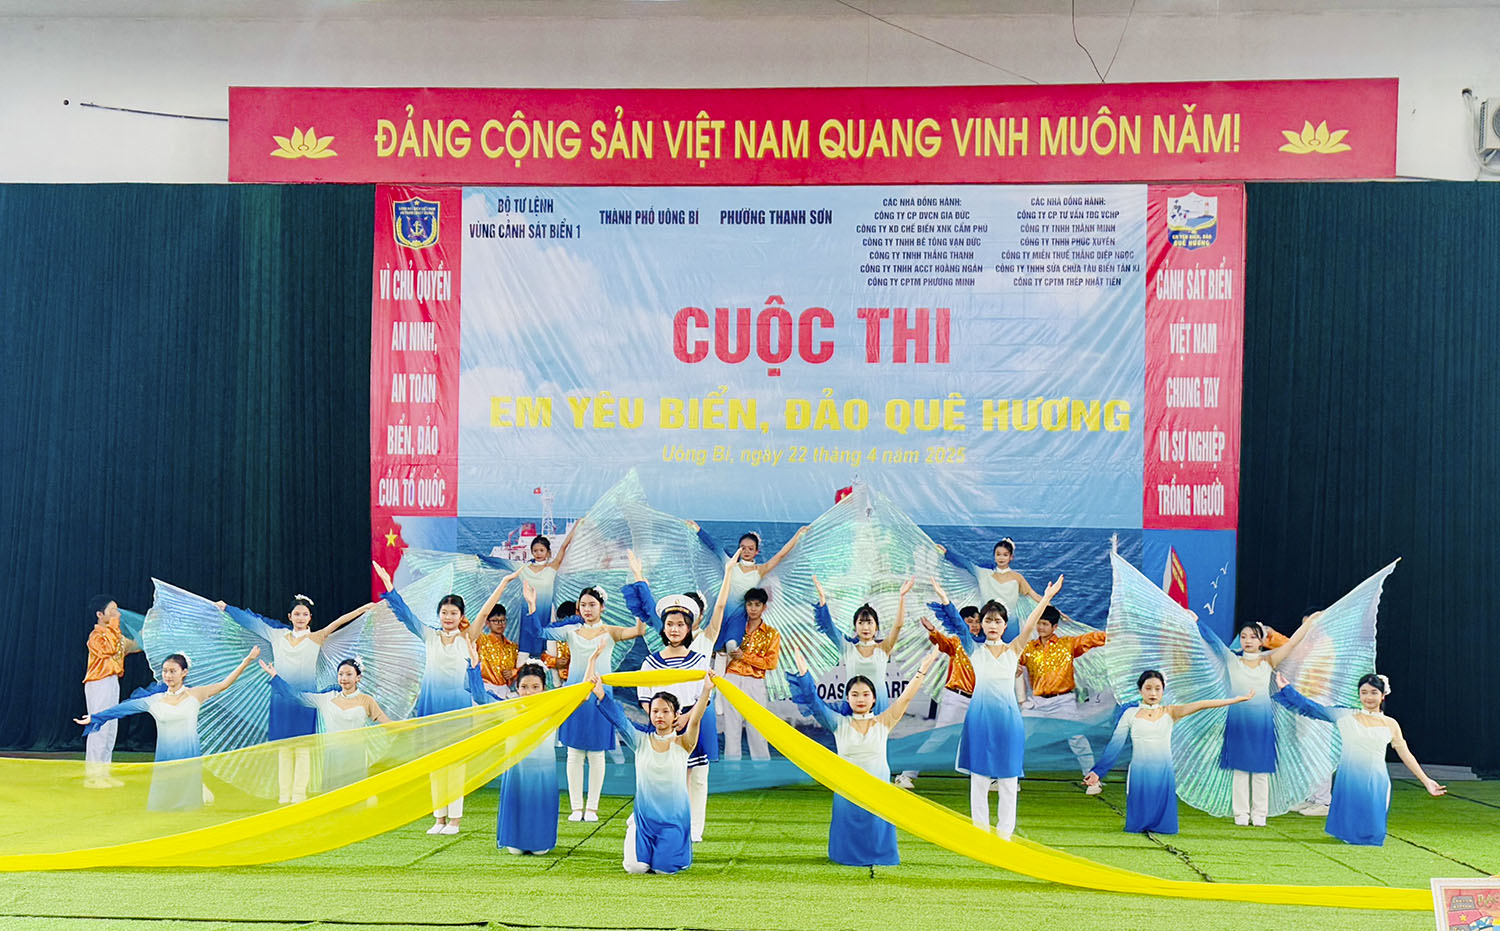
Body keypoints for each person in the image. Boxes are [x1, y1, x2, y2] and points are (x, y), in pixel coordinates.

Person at [787, 644, 941, 866]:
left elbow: (906, 698)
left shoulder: (884, 721)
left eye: (866, 694)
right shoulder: (838, 722)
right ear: (847, 698)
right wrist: (803, 673)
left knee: (877, 822)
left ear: (874, 699)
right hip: (847, 787)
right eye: (855, 694)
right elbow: (814, 702)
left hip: (878, 786)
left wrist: (923, 669)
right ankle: (845, 855)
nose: (860, 699)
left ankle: (880, 855)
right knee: (848, 822)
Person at [214, 593, 375, 804]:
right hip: (281, 699)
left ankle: (299, 795)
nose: (300, 618)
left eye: (305, 614)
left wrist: (362, 609)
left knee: (303, 749)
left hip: (304, 700)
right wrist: (227, 608)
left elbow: (339, 621)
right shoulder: (276, 635)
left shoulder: (316, 637)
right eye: (297, 614)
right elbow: (252, 622)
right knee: (283, 749)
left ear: (310, 618)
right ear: (289, 616)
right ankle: (284, 796)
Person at [941, 575, 1064, 839]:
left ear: (1005, 624)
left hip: (1008, 721)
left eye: (997, 621)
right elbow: (958, 626)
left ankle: (1004, 835)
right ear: (982, 624)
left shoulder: (1014, 649)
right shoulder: (974, 650)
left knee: (1009, 779)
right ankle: (981, 833)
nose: (993, 625)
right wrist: (944, 599)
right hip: (979, 719)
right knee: (979, 779)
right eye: (988, 620)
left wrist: (1046, 598)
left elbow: (1030, 624)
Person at [625, 550, 732, 842]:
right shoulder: (651, 662)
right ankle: (664, 822)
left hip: (696, 720)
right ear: (664, 627)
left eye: (681, 624)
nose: (675, 629)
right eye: (670, 624)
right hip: (663, 725)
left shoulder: (699, 657)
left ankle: (695, 828)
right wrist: (663, 719)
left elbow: (703, 696)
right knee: (666, 777)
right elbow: (645, 698)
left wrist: (687, 718)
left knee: (698, 776)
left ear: (690, 626)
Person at [1271, 671, 1445, 846]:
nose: (1369, 697)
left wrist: (1426, 780)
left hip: (1376, 781)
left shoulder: (1391, 724)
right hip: (1349, 779)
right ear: (1359, 695)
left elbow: (1405, 754)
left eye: (1374, 692)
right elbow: (1311, 708)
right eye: (1364, 692)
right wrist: (1286, 689)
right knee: (1349, 831)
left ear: (1383, 695)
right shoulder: (1345, 716)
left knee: (1372, 834)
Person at [75, 647, 260, 810]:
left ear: (184, 673)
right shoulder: (155, 700)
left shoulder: (196, 694)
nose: (168, 675)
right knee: (166, 803)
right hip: (166, 757)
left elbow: (224, 684)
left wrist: (247, 661)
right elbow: (123, 709)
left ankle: (199, 791)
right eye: (165, 671)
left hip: (189, 755)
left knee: (189, 801)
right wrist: (95, 717)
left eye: (173, 671)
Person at [376, 563, 488, 835]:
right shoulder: (428, 635)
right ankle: (439, 818)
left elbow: (485, 613)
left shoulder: (468, 638)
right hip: (432, 708)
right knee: (435, 764)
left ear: (462, 616)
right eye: (444, 612)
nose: (448, 617)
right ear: (438, 614)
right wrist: (389, 586)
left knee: (456, 765)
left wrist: (505, 583)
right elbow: (404, 614)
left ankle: (455, 820)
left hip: (457, 710)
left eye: (453, 613)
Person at [521, 580, 645, 822]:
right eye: (584, 605)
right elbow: (539, 633)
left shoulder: (610, 631)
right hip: (575, 698)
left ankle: (592, 809)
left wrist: (639, 598)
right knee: (574, 753)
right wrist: (532, 604)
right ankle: (576, 808)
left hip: (601, 698)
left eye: (592, 605)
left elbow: (639, 630)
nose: (587, 609)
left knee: (597, 755)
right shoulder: (571, 631)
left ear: (602, 607)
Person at [1083, 670, 1252, 833]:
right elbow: (1115, 746)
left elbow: (1202, 704)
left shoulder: (1170, 712)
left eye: (1158, 688)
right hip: (1139, 771)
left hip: (1163, 770)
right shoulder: (1130, 714)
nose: (1153, 693)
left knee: (1164, 822)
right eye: (1148, 688)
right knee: (1136, 823)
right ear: (1140, 690)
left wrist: (1234, 700)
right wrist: (1098, 772)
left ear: (1163, 690)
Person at [592, 660, 717, 874]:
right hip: (645, 822)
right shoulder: (640, 741)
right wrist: (601, 694)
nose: (659, 716)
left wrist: (706, 690)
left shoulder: (684, 743)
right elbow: (620, 721)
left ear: (676, 715)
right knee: (635, 868)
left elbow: (695, 720)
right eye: (655, 711)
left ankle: (669, 851)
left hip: (672, 823)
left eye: (666, 711)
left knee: (664, 869)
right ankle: (634, 827)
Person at [1205, 617, 1312, 826]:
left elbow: (1291, 644)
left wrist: (1308, 624)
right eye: (1244, 636)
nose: (1248, 641)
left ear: (1261, 641)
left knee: (1261, 770)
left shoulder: (1268, 661)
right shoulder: (1232, 660)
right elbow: (1212, 642)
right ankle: (1241, 814)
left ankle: (1260, 814)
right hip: (1238, 721)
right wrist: (1197, 622)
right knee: (1239, 770)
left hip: (1262, 722)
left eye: (1253, 637)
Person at [260, 657, 391, 791]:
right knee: (333, 792)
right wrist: (275, 677)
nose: (344, 678)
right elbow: (297, 696)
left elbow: (388, 724)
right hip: (333, 754)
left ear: (358, 677)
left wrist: (404, 729)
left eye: (349, 674)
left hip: (356, 755)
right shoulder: (327, 698)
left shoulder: (367, 700)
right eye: (341, 674)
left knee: (354, 792)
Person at [896, 584, 979, 789]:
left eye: (977, 621)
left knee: (979, 739)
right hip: (956, 698)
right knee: (937, 738)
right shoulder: (957, 642)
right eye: (969, 622)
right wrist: (933, 631)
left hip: (978, 700)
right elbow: (942, 643)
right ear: (961, 623)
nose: (975, 625)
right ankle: (906, 775)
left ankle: (988, 778)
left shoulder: (985, 645)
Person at [1018, 603, 1108, 792]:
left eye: (1045, 624)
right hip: (1036, 702)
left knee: (1077, 739)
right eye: (1039, 623)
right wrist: (1014, 667)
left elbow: (1092, 639)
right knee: (1017, 736)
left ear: (1054, 627)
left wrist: (1115, 634)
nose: (1041, 627)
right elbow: (1011, 661)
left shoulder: (1067, 644)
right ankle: (1009, 779)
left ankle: (1092, 779)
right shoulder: (1028, 648)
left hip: (1063, 701)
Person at [686, 522, 808, 650]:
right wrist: (698, 529)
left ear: (756, 552)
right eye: (743, 548)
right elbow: (715, 546)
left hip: (738, 616)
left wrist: (797, 535)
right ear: (738, 549)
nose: (746, 551)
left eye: (751, 549)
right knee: (708, 644)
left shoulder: (760, 570)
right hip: (720, 612)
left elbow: (781, 555)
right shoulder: (730, 563)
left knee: (731, 645)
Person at [812, 574, 911, 712]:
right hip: (853, 704)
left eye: (869, 623)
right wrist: (822, 598)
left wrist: (902, 597)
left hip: (878, 704)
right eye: (861, 623)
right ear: (855, 627)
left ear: (876, 627)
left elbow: (898, 625)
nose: (865, 628)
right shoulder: (847, 648)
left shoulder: (884, 648)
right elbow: (830, 628)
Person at [498, 662, 563, 855]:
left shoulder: (553, 709)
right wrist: (474, 667)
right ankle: (515, 836)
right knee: (515, 850)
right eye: (524, 687)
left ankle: (540, 838)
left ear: (544, 688)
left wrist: (592, 662)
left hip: (543, 774)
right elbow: (479, 697)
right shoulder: (508, 709)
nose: (529, 692)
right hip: (516, 773)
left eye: (535, 687)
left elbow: (582, 695)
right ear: (517, 688)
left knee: (540, 849)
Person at [82, 595, 142, 788]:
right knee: (100, 727)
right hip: (99, 682)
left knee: (110, 729)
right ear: (100, 615)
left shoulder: (116, 636)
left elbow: (134, 646)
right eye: (113, 610)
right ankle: (93, 777)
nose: (118, 614)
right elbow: (107, 649)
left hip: (112, 681)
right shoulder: (96, 636)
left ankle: (104, 773)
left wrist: (148, 629)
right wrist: (115, 626)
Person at [721, 585, 780, 761]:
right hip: (731, 678)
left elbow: (771, 663)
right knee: (731, 727)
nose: (753, 608)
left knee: (758, 727)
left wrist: (745, 657)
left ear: (764, 607)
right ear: (745, 606)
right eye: (750, 604)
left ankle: (762, 769)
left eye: (757, 604)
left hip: (755, 681)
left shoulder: (771, 634)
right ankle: (732, 770)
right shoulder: (735, 627)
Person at [516, 520, 582, 640]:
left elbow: (564, 546)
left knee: (544, 637)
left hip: (546, 610)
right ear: (531, 552)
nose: (538, 553)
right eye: (535, 551)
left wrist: (576, 526)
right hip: (527, 609)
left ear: (548, 552)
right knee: (526, 639)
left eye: (541, 550)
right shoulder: (524, 568)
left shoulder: (553, 566)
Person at [472, 573, 522, 699]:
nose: (500, 624)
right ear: (487, 623)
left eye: (503, 620)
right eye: (496, 621)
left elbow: (520, 669)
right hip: (485, 688)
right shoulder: (481, 640)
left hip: (505, 691)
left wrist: (514, 672)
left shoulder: (513, 647)